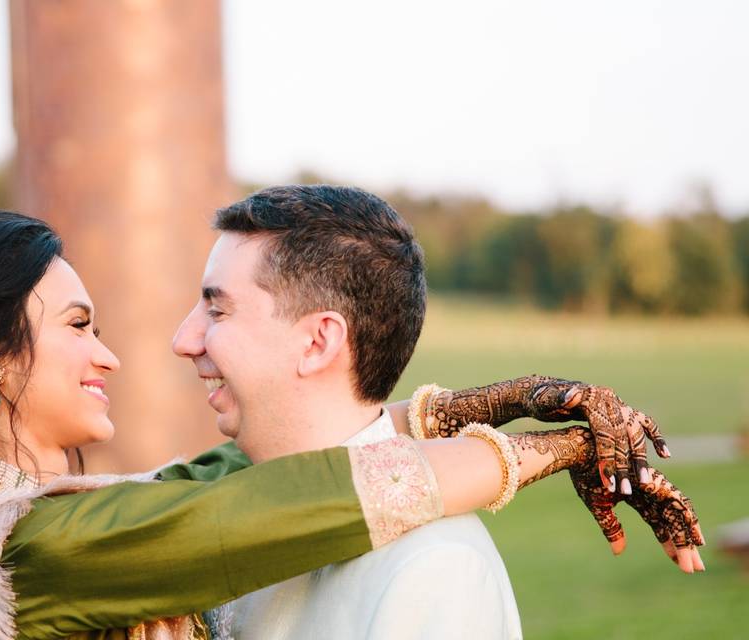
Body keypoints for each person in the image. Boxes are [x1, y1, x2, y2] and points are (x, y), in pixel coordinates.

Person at [0, 209, 701, 640]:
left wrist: (514, 397)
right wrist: (573, 444)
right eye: (79, 326)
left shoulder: (39, 522)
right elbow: (306, 498)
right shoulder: (37, 542)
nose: (115, 355)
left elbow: (227, 481)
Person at [169, 185, 703, 639]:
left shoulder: (435, 569)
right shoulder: (231, 506)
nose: (184, 339)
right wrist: (553, 437)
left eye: (217, 308)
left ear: (317, 342)